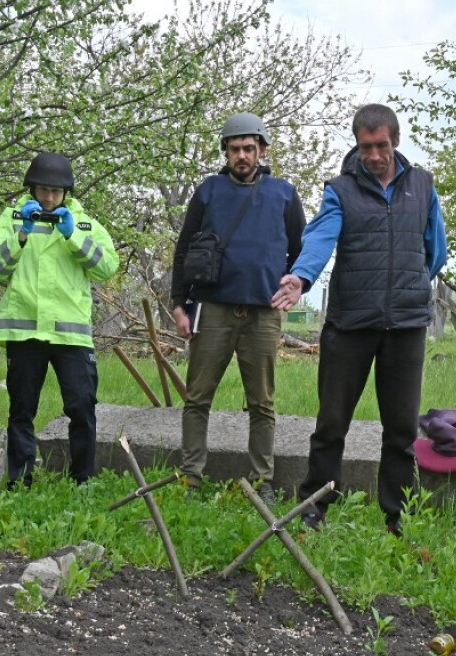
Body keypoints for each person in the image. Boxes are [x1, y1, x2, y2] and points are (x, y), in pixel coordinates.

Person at [274, 104, 448, 536]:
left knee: (401, 429)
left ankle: (398, 516)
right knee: (332, 423)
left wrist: (409, 284)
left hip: (405, 327)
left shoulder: (423, 185)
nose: (373, 155)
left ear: (396, 141)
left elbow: (436, 250)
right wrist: (301, 275)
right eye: (365, 146)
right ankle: (314, 507)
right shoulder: (341, 189)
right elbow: (321, 236)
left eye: (381, 145)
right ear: (356, 144)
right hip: (350, 324)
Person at [170, 113, 306, 504]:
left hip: (263, 311)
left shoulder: (284, 194)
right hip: (213, 308)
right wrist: (179, 304)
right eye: (234, 149)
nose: (242, 155)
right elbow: (184, 249)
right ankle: (191, 477)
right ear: (226, 152)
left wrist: (298, 287)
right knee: (197, 397)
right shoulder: (208, 191)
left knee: (262, 402)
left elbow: (301, 251)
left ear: (262, 150)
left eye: (249, 148)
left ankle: (262, 480)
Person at [0, 152, 118, 488]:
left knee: (82, 407)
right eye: (43, 190)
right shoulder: (12, 219)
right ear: (32, 189)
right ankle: (19, 482)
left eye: (55, 192)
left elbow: (107, 268)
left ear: (66, 193)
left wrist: (73, 237)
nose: (48, 197)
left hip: (71, 335)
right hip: (24, 331)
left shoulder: (84, 223)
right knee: (22, 409)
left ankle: (82, 480)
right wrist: (21, 235)